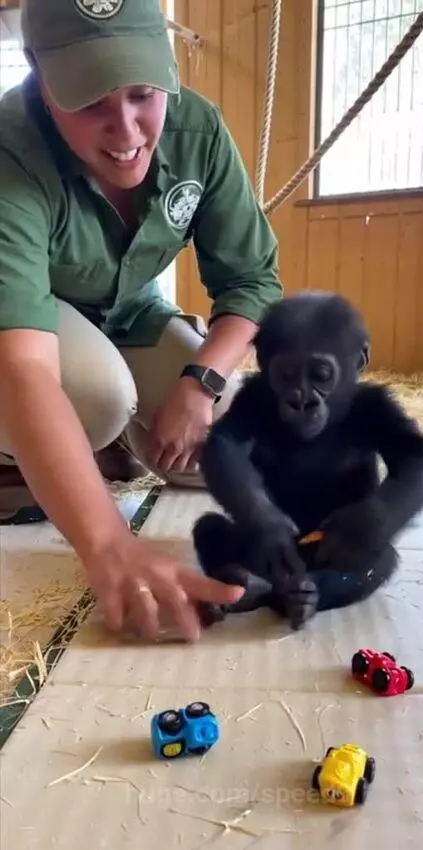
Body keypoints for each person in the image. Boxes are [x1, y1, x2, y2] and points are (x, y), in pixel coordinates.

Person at [0, 0, 283, 642]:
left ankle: (96, 452)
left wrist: (200, 382)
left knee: (231, 450)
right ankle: (25, 463)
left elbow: (253, 283)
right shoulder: (8, 148)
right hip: (29, 320)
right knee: (97, 400)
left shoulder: (198, 130)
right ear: (37, 74)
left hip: (130, 314)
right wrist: (109, 543)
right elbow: (22, 361)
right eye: (91, 102)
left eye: (142, 94)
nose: (126, 131)